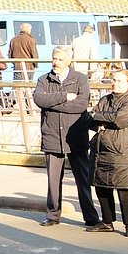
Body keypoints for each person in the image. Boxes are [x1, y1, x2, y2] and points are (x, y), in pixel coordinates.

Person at [33, 45, 98, 228]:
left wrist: (52, 103)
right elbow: (39, 100)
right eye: (54, 58)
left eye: (60, 59)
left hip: (75, 137)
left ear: (69, 61)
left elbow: (81, 104)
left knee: (82, 180)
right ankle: (53, 215)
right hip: (52, 136)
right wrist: (63, 96)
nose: (55, 62)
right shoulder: (43, 79)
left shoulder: (80, 79)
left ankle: (91, 217)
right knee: (53, 181)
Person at [86, 69, 128, 237]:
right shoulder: (105, 99)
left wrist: (100, 117)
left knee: (124, 189)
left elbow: (121, 119)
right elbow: (89, 119)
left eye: (119, 81)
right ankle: (107, 221)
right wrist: (98, 120)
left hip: (121, 151)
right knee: (102, 187)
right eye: (113, 80)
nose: (115, 83)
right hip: (100, 149)